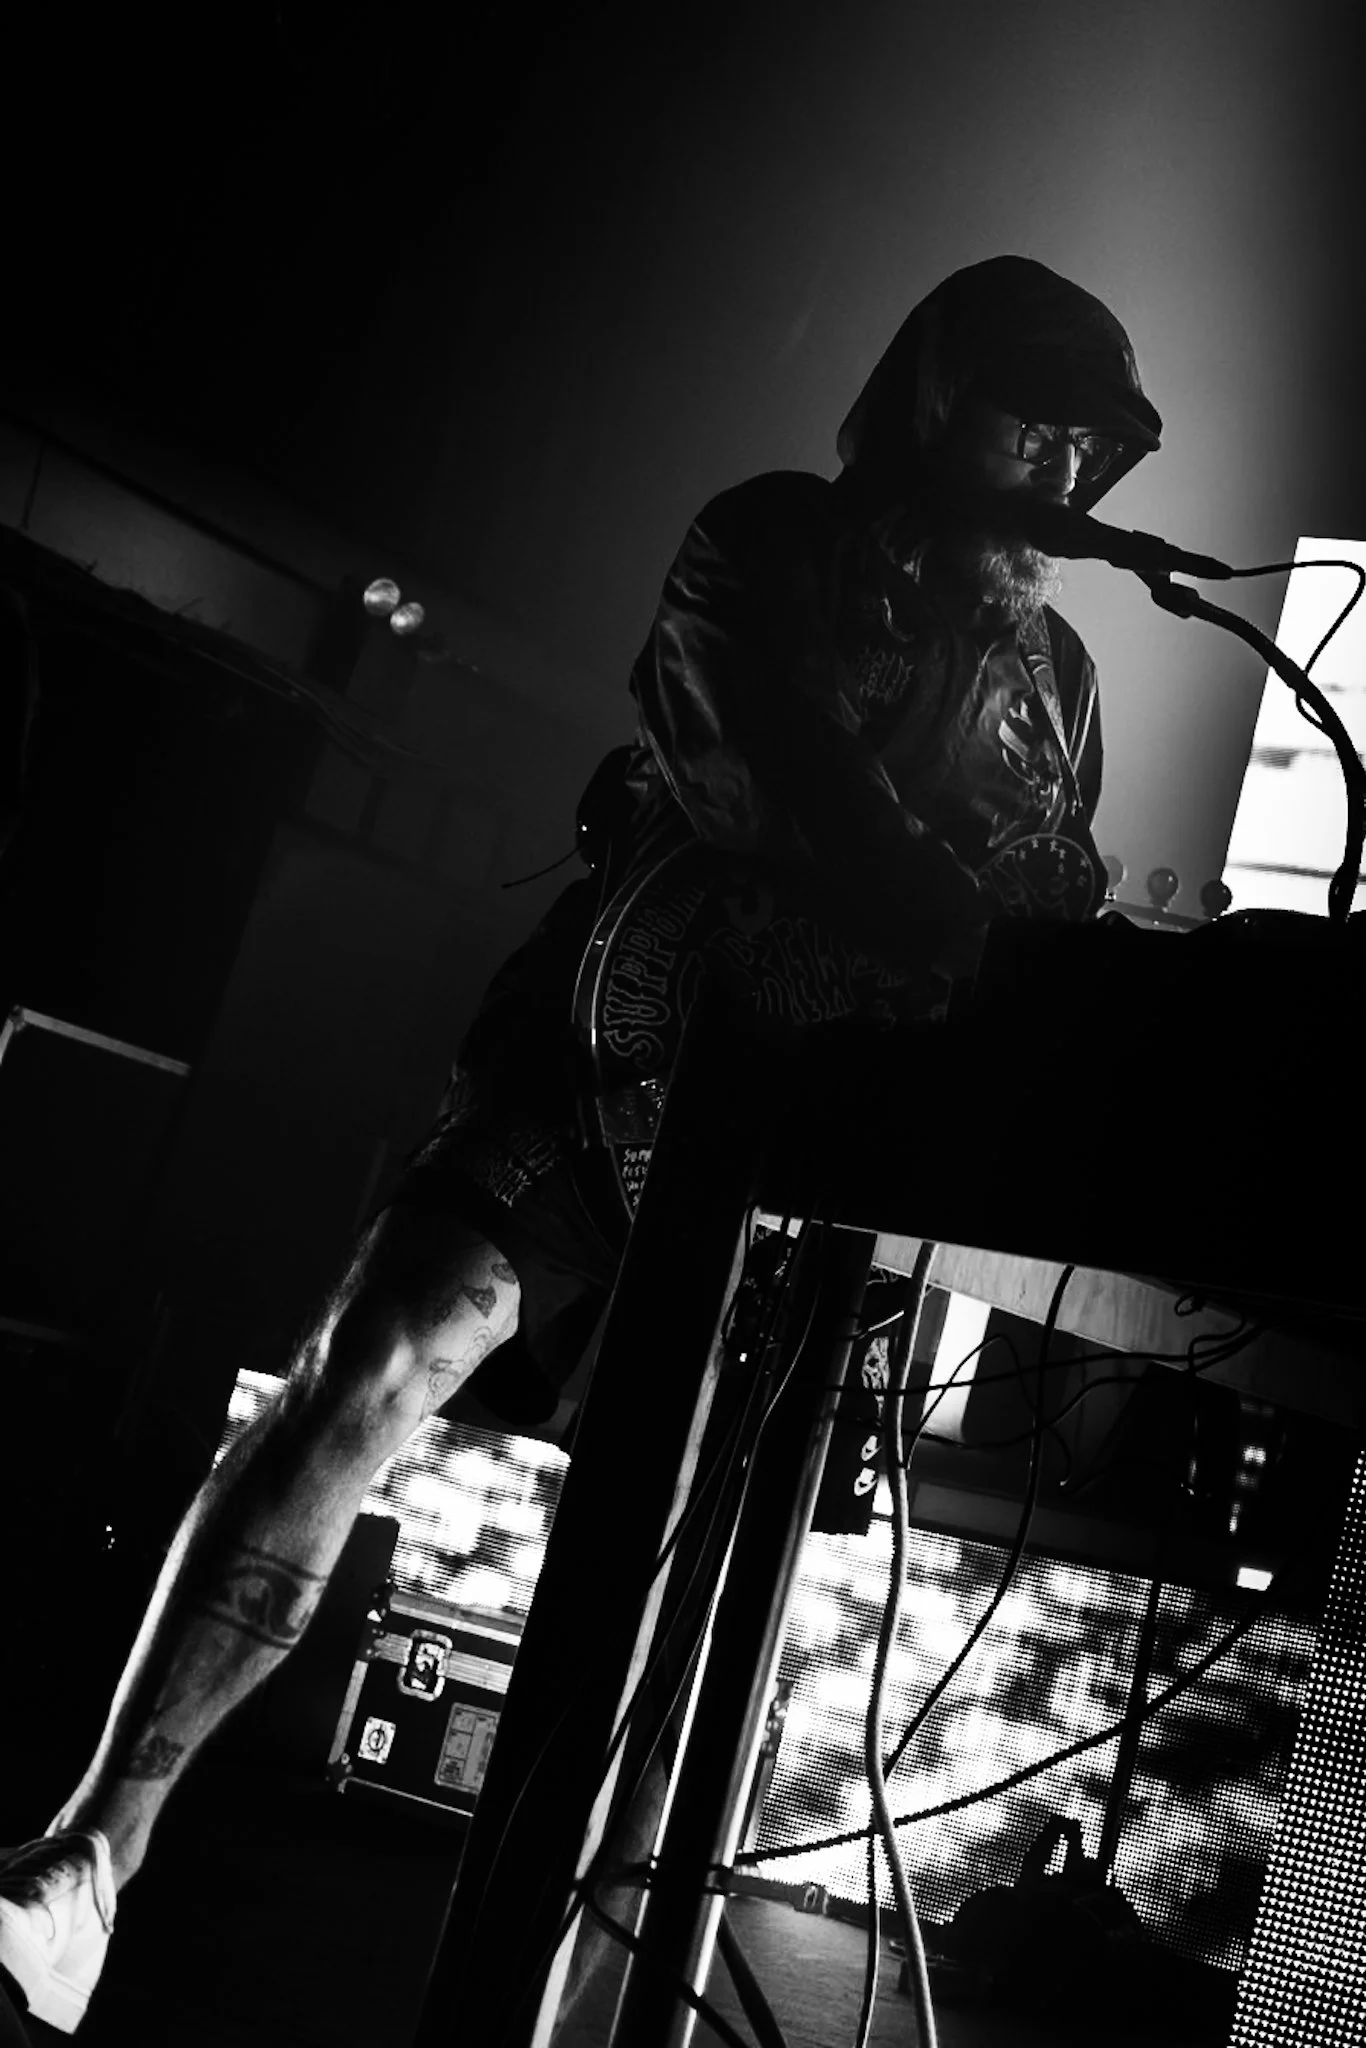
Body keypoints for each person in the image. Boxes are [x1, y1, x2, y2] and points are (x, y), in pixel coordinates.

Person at [0, 253, 1161, 2034]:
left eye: (1089, 449)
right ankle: (91, 1859)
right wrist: (960, 923)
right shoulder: (769, 539)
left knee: (681, 1586)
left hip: (806, 1174)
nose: (1061, 475)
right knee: (371, 1367)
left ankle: (564, 2004)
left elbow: (1052, 905)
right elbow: (776, 785)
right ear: (938, 403)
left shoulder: (1059, 676)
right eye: (1032, 425)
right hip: (605, 1067)